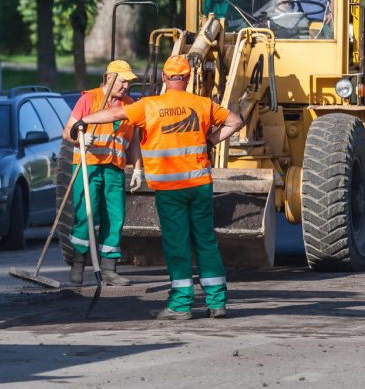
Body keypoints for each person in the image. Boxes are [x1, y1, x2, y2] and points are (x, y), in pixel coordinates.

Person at [71, 55, 243, 320]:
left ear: (164, 78)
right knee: (206, 242)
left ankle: (181, 305)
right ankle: (217, 302)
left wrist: (85, 121)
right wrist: (210, 140)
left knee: (177, 245)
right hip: (199, 185)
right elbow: (236, 121)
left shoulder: (149, 106)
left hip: (170, 188)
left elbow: (116, 112)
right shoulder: (202, 104)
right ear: (187, 78)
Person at [62, 60, 143, 287]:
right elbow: (67, 131)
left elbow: (134, 140)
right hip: (88, 165)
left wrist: (137, 167)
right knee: (86, 215)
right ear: (110, 78)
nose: (126, 86)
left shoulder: (129, 104)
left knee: (115, 218)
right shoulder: (90, 99)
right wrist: (80, 138)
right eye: (123, 81)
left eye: (129, 82)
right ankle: (78, 265)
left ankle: (109, 269)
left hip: (115, 168)